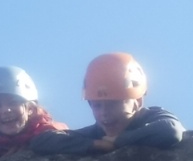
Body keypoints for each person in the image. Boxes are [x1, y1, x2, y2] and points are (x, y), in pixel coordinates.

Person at [32, 53, 184, 155]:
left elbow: (170, 130)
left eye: (112, 104)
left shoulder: (151, 116)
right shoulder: (96, 133)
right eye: (97, 105)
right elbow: (43, 140)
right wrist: (96, 144)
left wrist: (119, 141)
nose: (104, 113)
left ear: (137, 102)